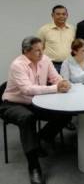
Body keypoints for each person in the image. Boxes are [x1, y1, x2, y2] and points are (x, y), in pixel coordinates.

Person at [0, 37, 72, 184]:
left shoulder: (45, 59)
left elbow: (55, 77)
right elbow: (27, 90)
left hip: (36, 101)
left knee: (65, 113)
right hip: (13, 103)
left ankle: (39, 140)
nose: (41, 53)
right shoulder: (17, 65)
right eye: (37, 50)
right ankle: (34, 167)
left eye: (42, 49)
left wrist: (62, 82)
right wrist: (55, 88)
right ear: (26, 51)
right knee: (27, 118)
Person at [37, 5, 75, 73]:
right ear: (52, 15)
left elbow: (75, 47)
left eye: (64, 14)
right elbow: (39, 48)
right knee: (51, 84)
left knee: (68, 83)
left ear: (67, 15)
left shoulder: (72, 29)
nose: (61, 16)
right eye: (58, 14)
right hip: (51, 65)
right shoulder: (44, 30)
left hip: (69, 65)